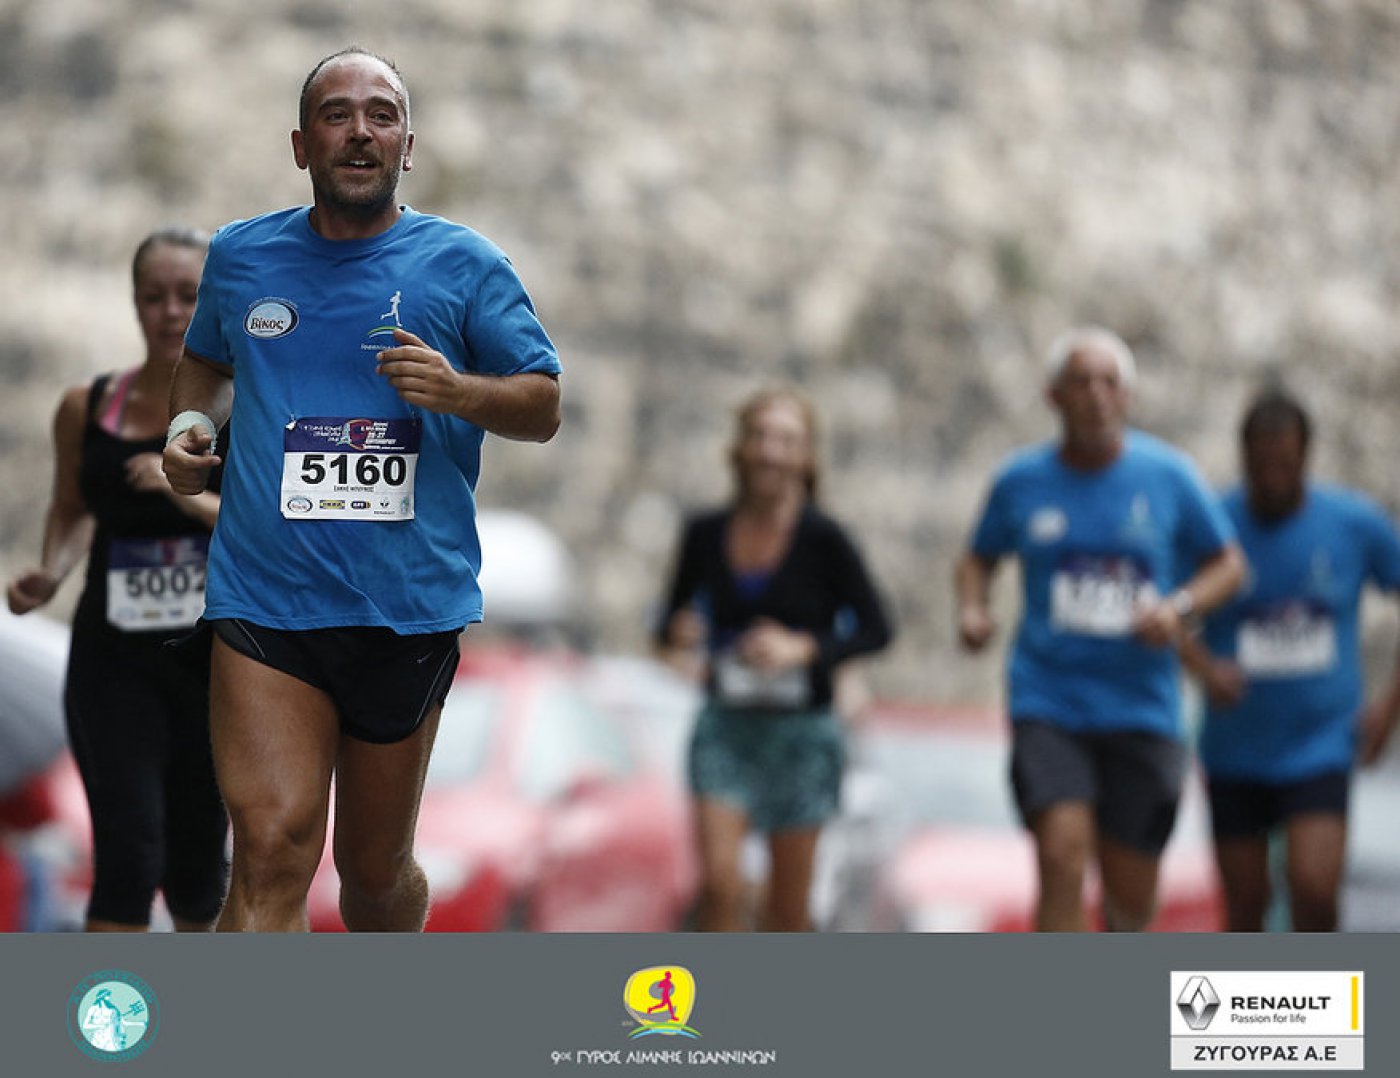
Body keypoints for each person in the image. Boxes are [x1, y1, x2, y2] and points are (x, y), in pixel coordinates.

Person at [161, 47, 562, 932]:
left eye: (381, 115)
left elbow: (542, 405)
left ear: (407, 146)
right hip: (266, 598)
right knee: (271, 849)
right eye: (336, 115)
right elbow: (206, 362)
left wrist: (459, 392)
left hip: (404, 608)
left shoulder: (465, 264)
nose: (359, 131)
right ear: (301, 145)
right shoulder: (242, 255)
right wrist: (189, 428)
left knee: (373, 877)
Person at [954, 326, 1245, 931]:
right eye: (1080, 382)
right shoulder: (1019, 481)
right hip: (1049, 699)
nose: (1096, 395)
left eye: (1110, 382)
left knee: (1129, 900)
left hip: (1142, 708)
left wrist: (1177, 609)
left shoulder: (1169, 475)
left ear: (1128, 396)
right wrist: (973, 609)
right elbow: (978, 558)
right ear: (1053, 396)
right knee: (1061, 854)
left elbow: (1229, 565)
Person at [6, 227, 229, 932]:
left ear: (214, 303)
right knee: (128, 856)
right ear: (134, 303)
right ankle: (111, 1006)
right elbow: (72, 509)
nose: (169, 312)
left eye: (188, 296)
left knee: (199, 867)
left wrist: (179, 492)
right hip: (114, 660)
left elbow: (266, 526)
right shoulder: (88, 404)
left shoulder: (247, 404)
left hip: (214, 660)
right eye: (152, 296)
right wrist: (50, 572)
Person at [655, 386, 893, 931]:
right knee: (720, 887)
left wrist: (803, 648)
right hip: (727, 727)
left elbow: (878, 629)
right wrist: (680, 633)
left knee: (787, 912)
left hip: (801, 734)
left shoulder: (825, 539)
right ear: (740, 448)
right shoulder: (705, 533)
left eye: (786, 440)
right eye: (760, 437)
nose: (770, 452)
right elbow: (669, 622)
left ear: (806, 457)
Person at [1179, 388, 1400, 931]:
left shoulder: (1354, 524)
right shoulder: (1214, 526)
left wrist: (1388, 710)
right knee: (1246, 906)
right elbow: (1165, 608)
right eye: (1261, 466)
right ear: (1244, 458)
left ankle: (1318, 990)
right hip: (1235, 748)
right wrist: (1203, 669)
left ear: (1305, 456)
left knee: (1314, 889)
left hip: (1319, 744)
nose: (1272, 478)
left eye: (1284, 464)